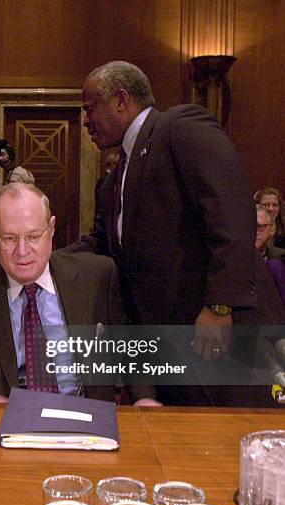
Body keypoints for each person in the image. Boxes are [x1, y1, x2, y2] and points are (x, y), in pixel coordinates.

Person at [64, 61, 271, 405]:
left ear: (120, 99)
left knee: (245, 445)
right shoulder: (114, 182)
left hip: (227, 338)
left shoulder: (180, 126)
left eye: (89, 109)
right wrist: (37, 257)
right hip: (171, 349)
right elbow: (105, 245)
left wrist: (220, 307)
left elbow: (231, 213)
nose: (85, 120)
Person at [0, 183, 157, 404]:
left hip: (87, 425)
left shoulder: (96, 277)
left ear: (52, 229)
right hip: (4, 432)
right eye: (9, 238)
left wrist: (143, 396)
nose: (23, 251)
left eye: (34, 236)